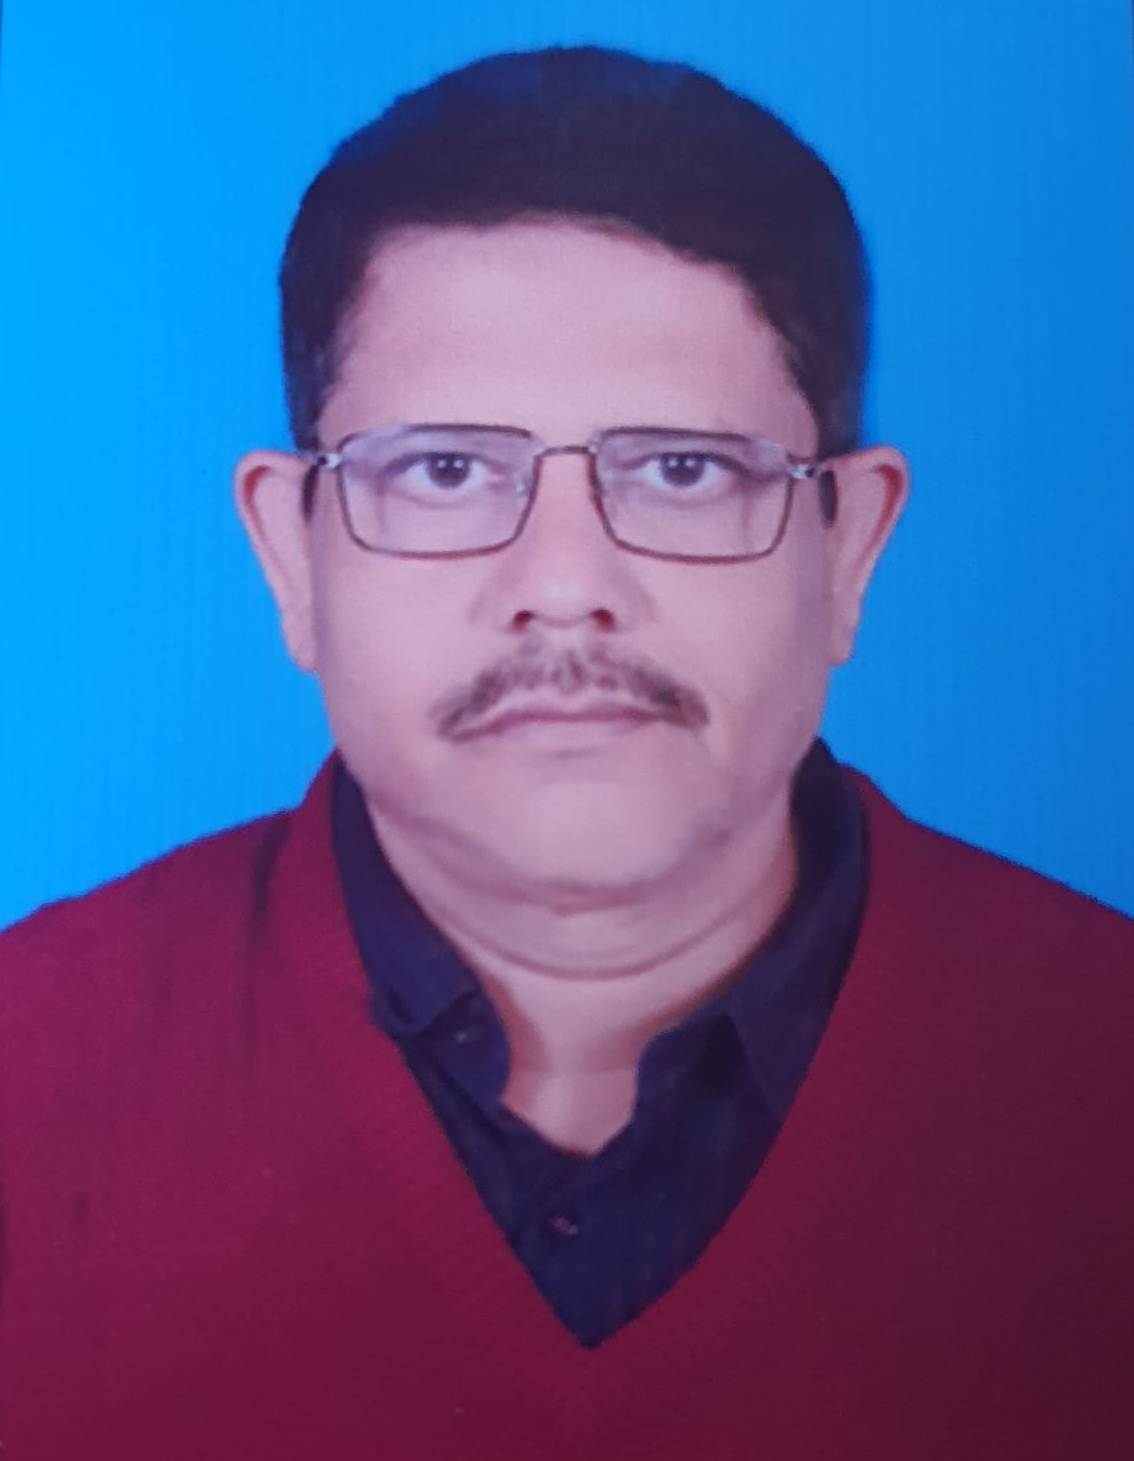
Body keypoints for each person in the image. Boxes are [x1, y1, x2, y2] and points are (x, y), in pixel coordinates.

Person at [1, 44, 1130, 1461]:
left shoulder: (1101, 1067)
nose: (563, 584)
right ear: (291, 552)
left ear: (848, 546)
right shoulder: (28, 1070)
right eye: (444, 469)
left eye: (681, 469)